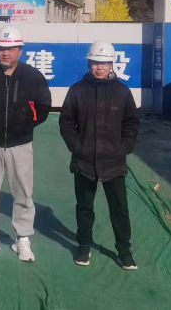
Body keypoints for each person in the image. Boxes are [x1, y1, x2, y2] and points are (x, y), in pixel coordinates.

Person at [0, 24, 51, 262]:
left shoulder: (33, 76)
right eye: (1, 48)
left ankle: (22, 238)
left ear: (20, 50)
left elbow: (43, 106)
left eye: (11, 48)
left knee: (23, 193)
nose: (6, 53)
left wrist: (25, 124)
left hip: (21, 144)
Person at [59, 40, 140, 270]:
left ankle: (124, 251)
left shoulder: (122, 92)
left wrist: (123, 148)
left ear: (111, 63)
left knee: (119, 210)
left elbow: (131, 123)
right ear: (89, 63)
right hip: (84, 162)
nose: (99, 67)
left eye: (104, 63)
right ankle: (84, 246)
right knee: (84, 207)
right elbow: (66, 122)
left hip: (114, 162)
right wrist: (77, 146)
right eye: (95, 62)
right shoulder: (77, 90)